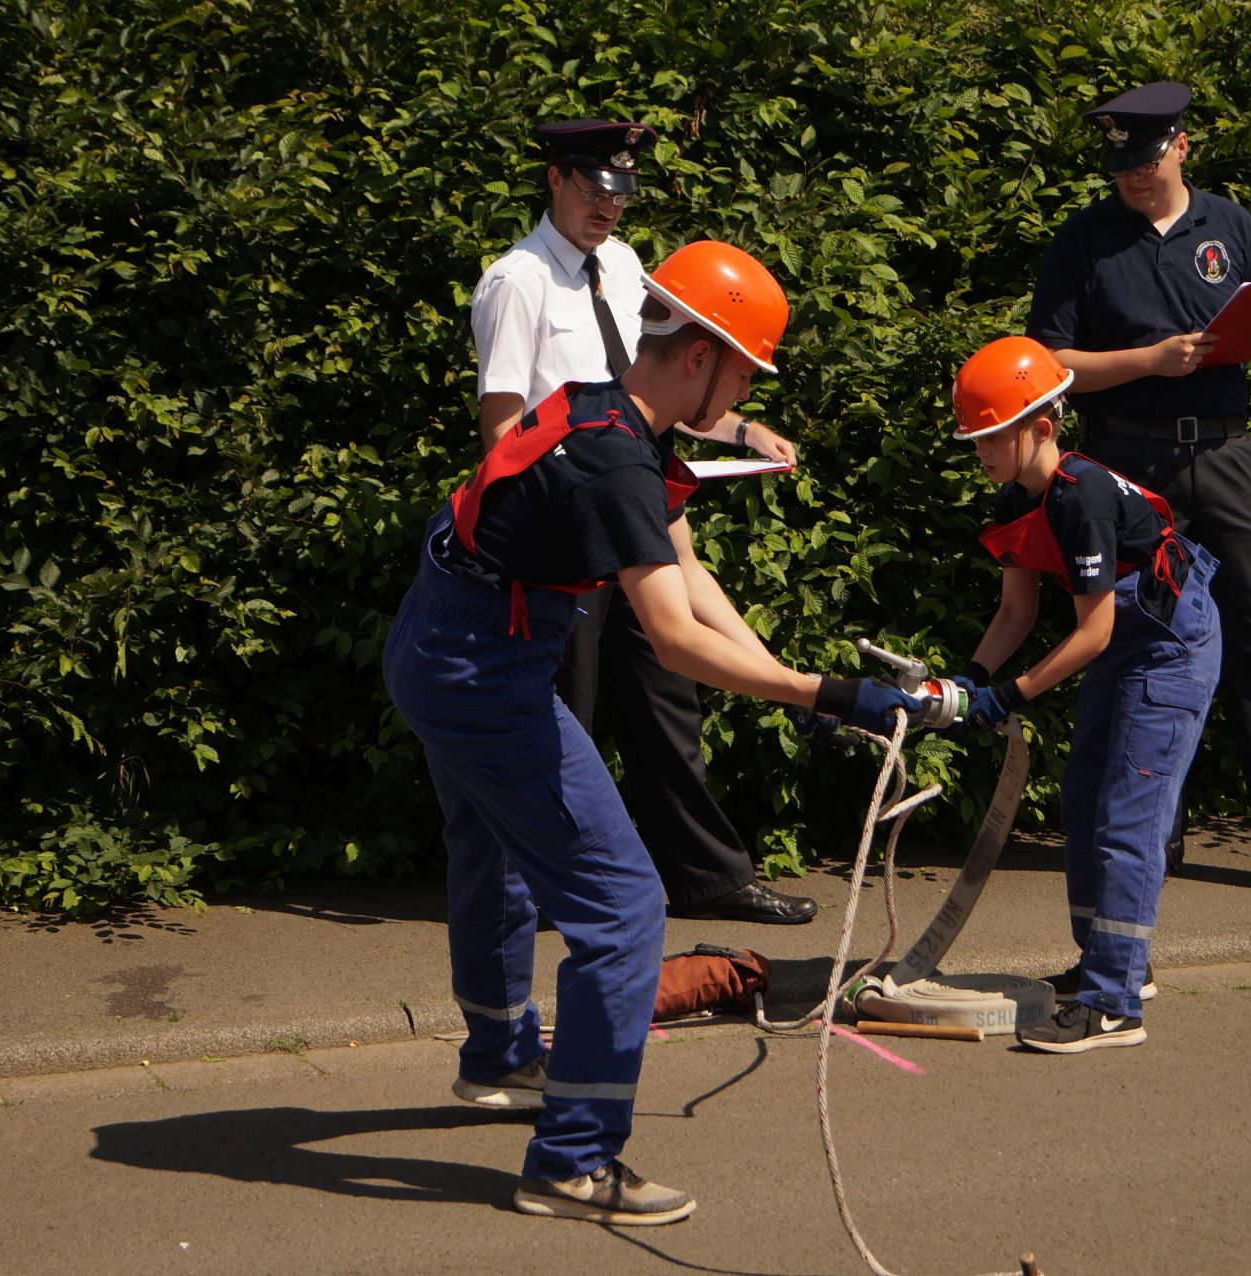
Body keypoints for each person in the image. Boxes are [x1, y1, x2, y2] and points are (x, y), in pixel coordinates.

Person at [384, 241, 925, 1222]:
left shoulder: (606, 411)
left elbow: (692, 578)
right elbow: (672, 639)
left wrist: (794, 688)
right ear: (701, 354)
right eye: (746, 373)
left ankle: (500, 1056)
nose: (747, 393)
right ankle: (571, 1161)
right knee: (624, 907)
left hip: (440, 643)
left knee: (498, 852)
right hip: (484, 670)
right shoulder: (617, 463)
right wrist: (830, 693)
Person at [1026, 81, 1251, 903]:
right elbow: (1048, 364)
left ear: (1182, 146)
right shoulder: (1083, 239)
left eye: (1147, 161)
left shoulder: (1232, 226)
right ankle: (1149, 829)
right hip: (1129, 463)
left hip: (1227, 457)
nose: (1133, 177)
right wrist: (1149, 361)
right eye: (1120, 166)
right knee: (1139, 648)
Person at [470, 118, 818, 926]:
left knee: (668, 698)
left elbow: (665, 380)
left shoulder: (625, 267)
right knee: (569, 705)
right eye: (594, 189)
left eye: (620, 192)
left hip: (634, 497)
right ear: (555, 179)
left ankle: (708, 878)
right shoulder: (517, 281)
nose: (608, 207)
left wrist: (739, 429)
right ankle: (544, 887)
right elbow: (503, 433)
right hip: (568, 529)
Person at [946, 336, 1221, 1052]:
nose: (980, 453)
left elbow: (1093, 632)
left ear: (1041, 427)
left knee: (1130, 815)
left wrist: (1009, 696)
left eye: (990, 438)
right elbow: (1016, 612)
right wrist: (971, 678)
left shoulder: (1083, 497)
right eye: (973, 439)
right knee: (1083, 797)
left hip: (1169, 646)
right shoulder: (1019, 495)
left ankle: (1113, 1005)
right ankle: (1111, 960)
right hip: (1125, 638)